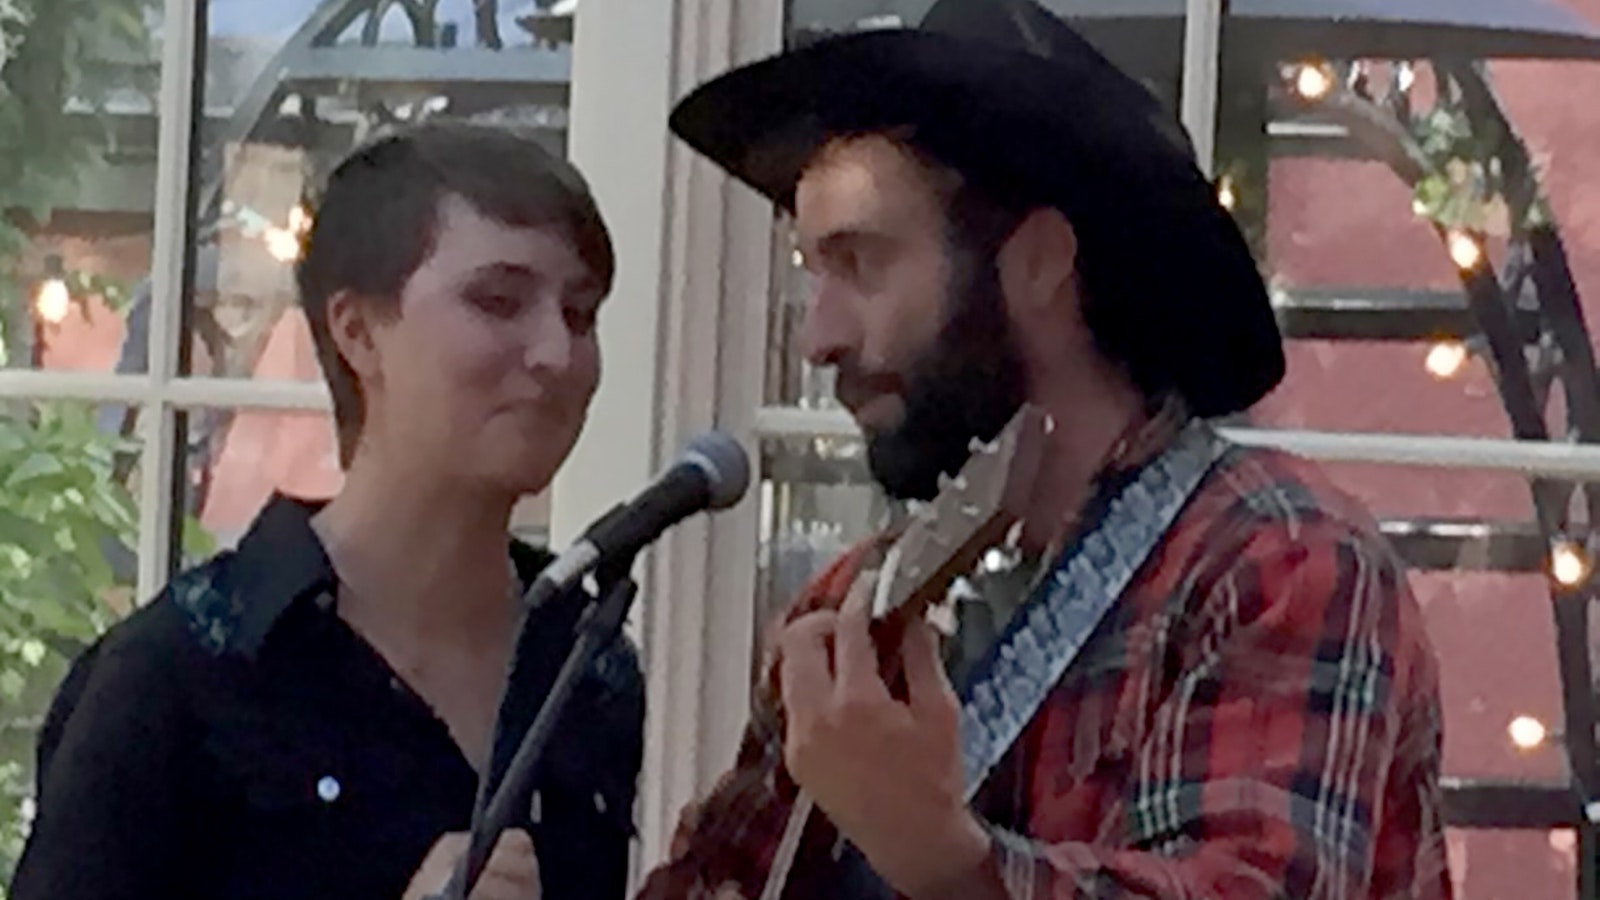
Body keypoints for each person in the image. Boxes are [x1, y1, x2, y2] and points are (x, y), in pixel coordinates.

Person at [637, 1, 1449, 898]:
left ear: (1037, 262)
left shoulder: (1278, 561)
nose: (817, 337)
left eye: (859, 262)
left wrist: (946, 861)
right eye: (810, 273)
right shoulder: (848, 615)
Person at [10, 122, 643, 900]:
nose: (557, 352)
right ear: (356, 332)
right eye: (499, 301)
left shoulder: (587, 667)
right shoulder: (179, 675)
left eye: (582, 314)